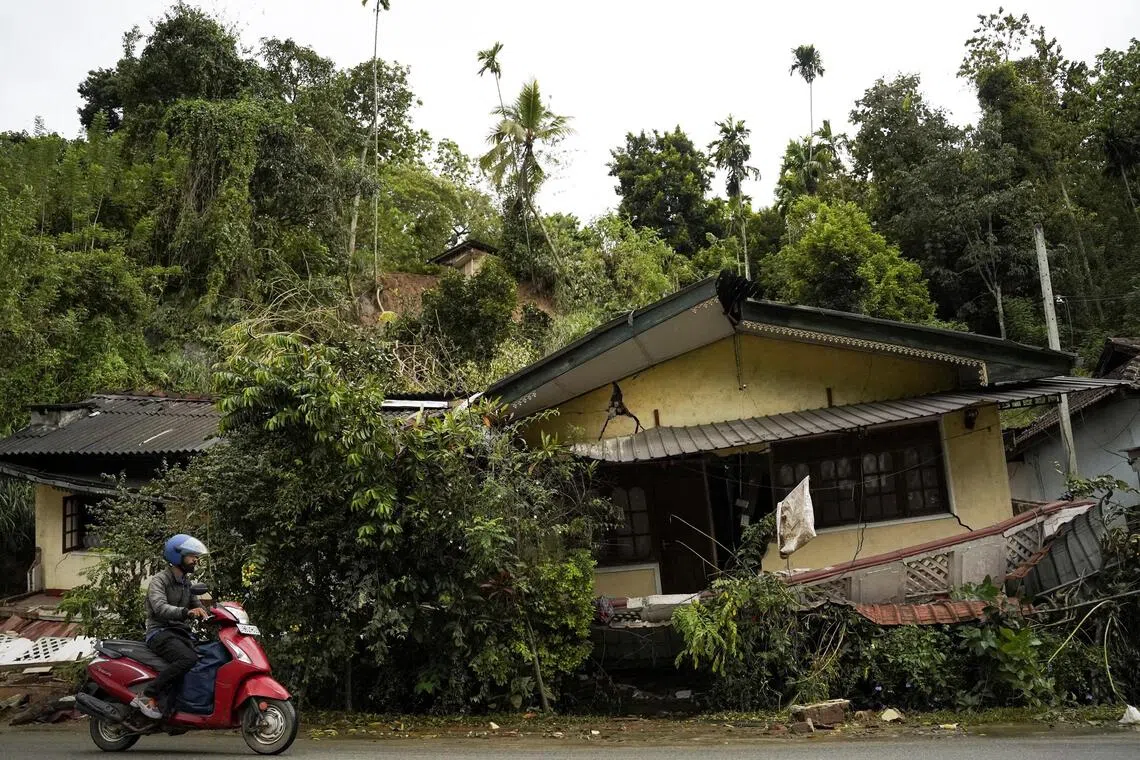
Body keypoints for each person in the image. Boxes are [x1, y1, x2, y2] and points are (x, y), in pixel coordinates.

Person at [129, 534, 210, 719]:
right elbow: (160, 608)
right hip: (159, 633)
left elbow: (197, 605)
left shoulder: (185, 583)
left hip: (177, 633)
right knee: (187, 658)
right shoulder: (160, 580)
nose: (195, 560)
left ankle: (177, 707)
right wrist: (186, 612)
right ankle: (149, 694)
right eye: (192, 556)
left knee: (204, 656)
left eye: (196, 557)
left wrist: (211, 613)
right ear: (177, 556)